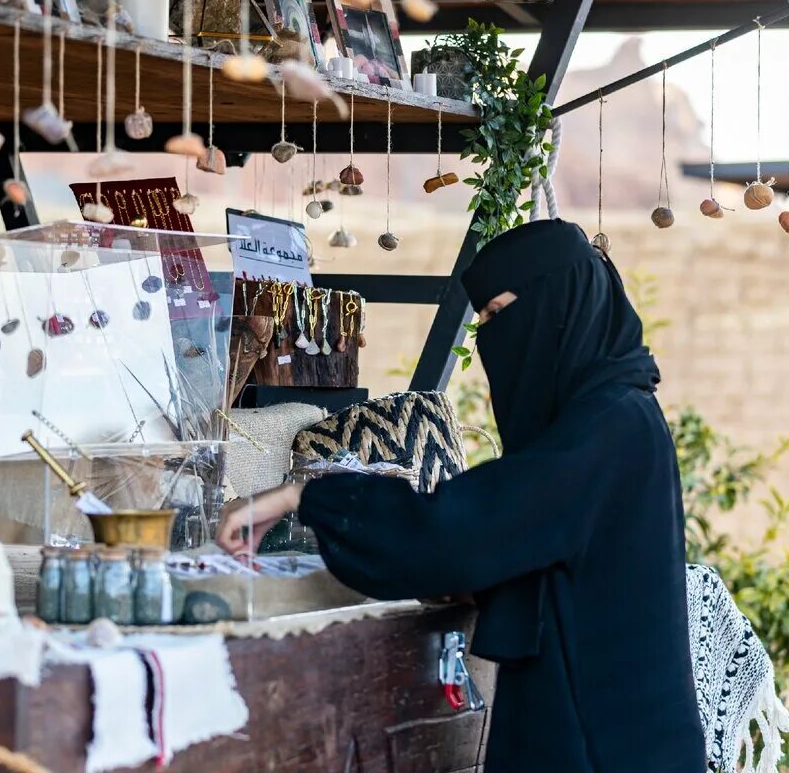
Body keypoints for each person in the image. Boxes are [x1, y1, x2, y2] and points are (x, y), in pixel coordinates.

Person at [216, 219, 705, 772]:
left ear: (558, 304)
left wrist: (303, 497)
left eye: (501, 313)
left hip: (604, 743)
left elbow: (455, 534)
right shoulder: (617, 413)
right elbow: (535, 545)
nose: (495, 333)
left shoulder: (608, 427)